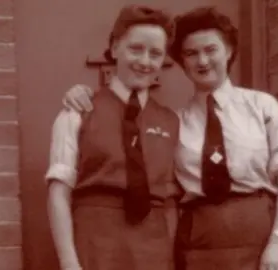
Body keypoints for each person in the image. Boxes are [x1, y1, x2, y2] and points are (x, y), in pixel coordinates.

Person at [62, 6, 278, 270]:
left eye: (211, 50)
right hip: (197, 241)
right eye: (191, 53)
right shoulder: (172, 122)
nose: (202, 61)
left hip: (258, 234)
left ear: (229, 51)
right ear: (181, 62)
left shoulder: (262, 106)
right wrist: (81, 95)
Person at [45, 5, 180, 270]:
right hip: (96, 243)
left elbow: (170, 202)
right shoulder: (79, 110)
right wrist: (69, 262)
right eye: (136, 49)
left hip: (152, 249)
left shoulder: (170, 120)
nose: (144, 61)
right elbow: (58, 193)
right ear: (115, 47)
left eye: (155, 53)